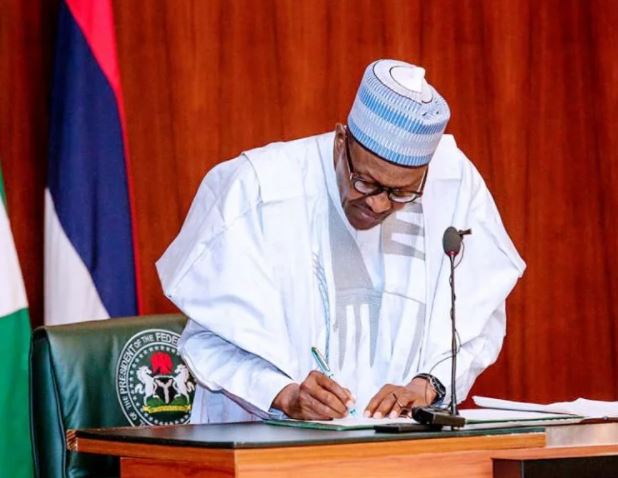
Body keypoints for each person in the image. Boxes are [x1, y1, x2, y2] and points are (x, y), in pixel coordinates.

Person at [156, 59, 525, 423]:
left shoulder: (454, 185)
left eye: (401, 193)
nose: (379, 205)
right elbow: (208, 340)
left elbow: (479, 321)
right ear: (340, 142)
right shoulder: (257, 187)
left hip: (393, 446)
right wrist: (284, 394)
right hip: (264, 443)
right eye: (366, 182)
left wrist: (428, 384)